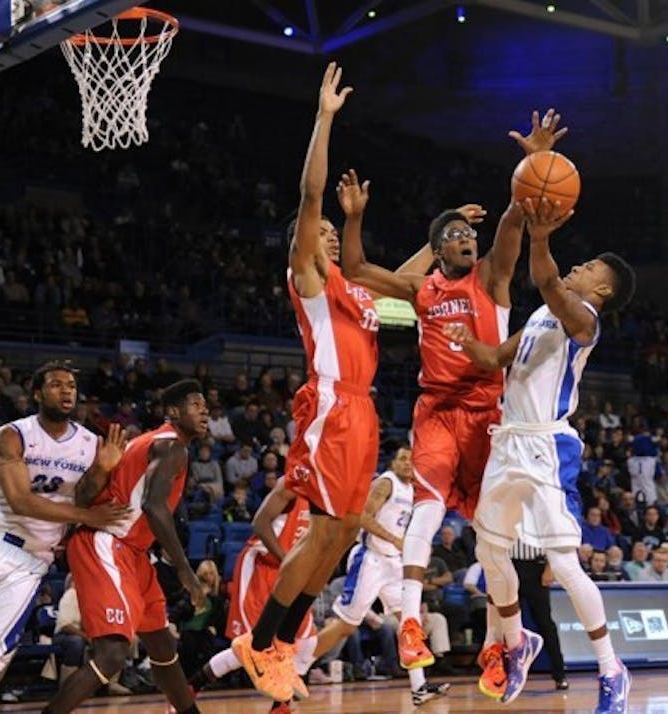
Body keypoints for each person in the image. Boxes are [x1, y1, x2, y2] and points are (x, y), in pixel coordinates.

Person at [230, 63, 439, 704]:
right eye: (316, 231)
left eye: (328, 232)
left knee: (345, 532)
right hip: (328, 403)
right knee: (322, 530)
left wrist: (442, 236)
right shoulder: (309, 278)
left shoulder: (352, 286)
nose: (325, 233)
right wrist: (324, 119)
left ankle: (286, 648)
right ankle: (261, 642)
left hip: (363, 410)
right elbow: (310, 195)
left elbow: (405, 282)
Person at [336, 106, 568, 676]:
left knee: (495, 537)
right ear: (439, 249)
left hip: (489, 411)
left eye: (471, 234)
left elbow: (513, 223)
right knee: (427, 505)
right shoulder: (421, 289)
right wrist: (354, 217)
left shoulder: (492, 277)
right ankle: (411, 625)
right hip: (438, 409)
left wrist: (533, 163)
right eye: (457, 236)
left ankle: (507, 641)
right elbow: (356, 267)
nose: (469, 239)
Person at [444, 197, 635, 712]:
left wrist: (541, 236)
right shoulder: (537, 318)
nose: (579, 267)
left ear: (600, 290)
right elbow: (491, 359)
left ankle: (611, 669)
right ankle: (516, 642)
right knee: (489, 551)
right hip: (509, 441)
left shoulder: (584, 321)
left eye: (589, 267)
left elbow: (550, 281)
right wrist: (465, 341)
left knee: (564, 564)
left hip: (549, 446)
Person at [0, 361, 129, 714]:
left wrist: (101, 469)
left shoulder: (90, 442)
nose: (66, 391)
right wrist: (86, 516)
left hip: (33, 560)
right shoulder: (11, 435)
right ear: (36, 393)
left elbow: (83, 496)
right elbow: (20, 501)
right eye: (56, 384)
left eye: (71, 386)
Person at [44, 379, 210, 714]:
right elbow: (154, 506)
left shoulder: (157, 443)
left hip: (132, 551)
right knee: (111, 654)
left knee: (163, 645)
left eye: (206, 405)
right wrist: (185, 571)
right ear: (174, 412)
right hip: (108, 544)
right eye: (196, 404)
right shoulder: (171, 445)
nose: (205, 410)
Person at [311, 445, 450, 705]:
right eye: (403, 459)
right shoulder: (386, 483)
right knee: (345, 626)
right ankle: (299, 666)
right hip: (370, 560)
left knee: (409, 622)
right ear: (393, 463)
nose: (408, 463)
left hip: (393, 564)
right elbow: (362, 517)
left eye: (412, 459)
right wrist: (396, 541)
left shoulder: (413, 491)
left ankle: (419, 687)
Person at [190, 478, 316, 714]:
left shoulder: (327, 498)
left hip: (291, 570)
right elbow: (260, 524)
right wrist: (288, 561)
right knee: (254, 645)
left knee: (307, 641)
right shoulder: (292, 486)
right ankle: (193, 686)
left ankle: (281, 704)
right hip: (262, 566)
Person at [510, 539, 568, 690]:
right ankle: (506, 674)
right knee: (508, 624)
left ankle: (559, 673)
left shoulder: (540, 514)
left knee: (545, 623)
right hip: (510, 565)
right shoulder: (506, 514)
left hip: (537, 567)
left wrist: (550, 566)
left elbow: (552, 537)